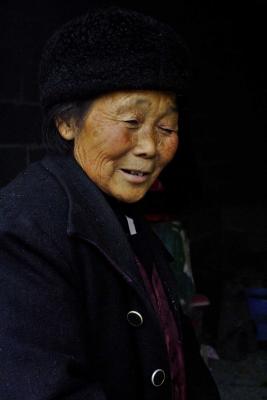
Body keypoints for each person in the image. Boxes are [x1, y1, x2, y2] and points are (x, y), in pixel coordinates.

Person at [0, 7, 220, 400]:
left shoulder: (125, 216)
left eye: (166, 127)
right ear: (67, 123)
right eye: (131, 122)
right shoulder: (23, 229)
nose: (151, 147)